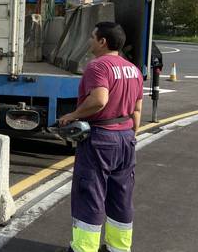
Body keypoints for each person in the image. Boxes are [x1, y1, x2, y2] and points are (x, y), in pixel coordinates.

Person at [57, 22, 143, 252]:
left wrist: (72, 115)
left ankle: (84, 248)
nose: (89, 41)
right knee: (121, 195)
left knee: (90, 194)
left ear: (102, 41)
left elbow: (99, 100)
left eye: (92, 37)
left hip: (101, 138)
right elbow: (137, 110)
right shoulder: (133, 69)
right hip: (126, 137)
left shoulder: (98, 67)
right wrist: (129, 135)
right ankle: (118, 248)